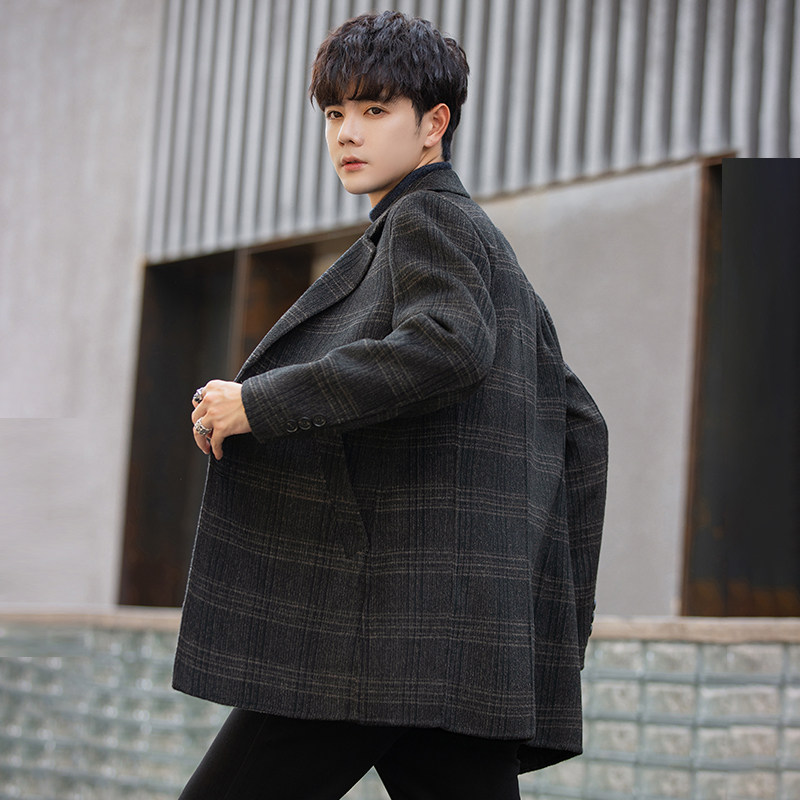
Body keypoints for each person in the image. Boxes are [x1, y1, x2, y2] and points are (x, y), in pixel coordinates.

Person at [174, 11, 608, 800]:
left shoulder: (425, 217)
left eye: (375, 110)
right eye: (335, 112)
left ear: (433, 124)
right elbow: (579, 422)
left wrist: (259, 404)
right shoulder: (487, 249)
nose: (347, 132)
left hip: (375, 629)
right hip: (455, 633)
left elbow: (445, 346)